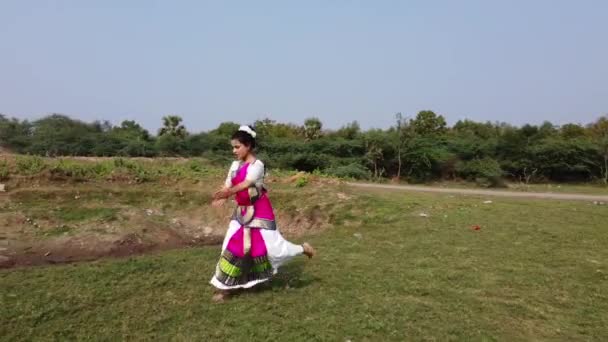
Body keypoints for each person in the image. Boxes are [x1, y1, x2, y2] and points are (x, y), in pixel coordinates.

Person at [210, 125, 315, 302]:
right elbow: (228, 185)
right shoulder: (234, 165)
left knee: (273, 249)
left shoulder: (257, 165)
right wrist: (222, 196)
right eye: (233, 147)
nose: (234, 150)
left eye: (237, 147)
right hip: (242, 212)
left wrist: (228, 193)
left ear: (248, 146)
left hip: (260, 212)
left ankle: (302, 249)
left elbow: (246, 184)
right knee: (230, 246)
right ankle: (224, 289)